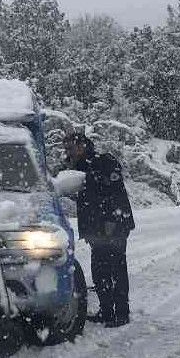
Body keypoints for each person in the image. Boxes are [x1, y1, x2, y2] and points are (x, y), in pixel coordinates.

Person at [63, 133, 135, 328]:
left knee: (116, 268)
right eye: (67, 149)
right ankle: (107, 311)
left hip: (114, 225)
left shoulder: (103, 162)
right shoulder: (80, 168)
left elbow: (115, 194)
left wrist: (112, 222)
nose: (69, 152)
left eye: (72, 147)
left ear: (83, 146)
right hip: (97, 229)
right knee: (100, 270)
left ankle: (121, 313)